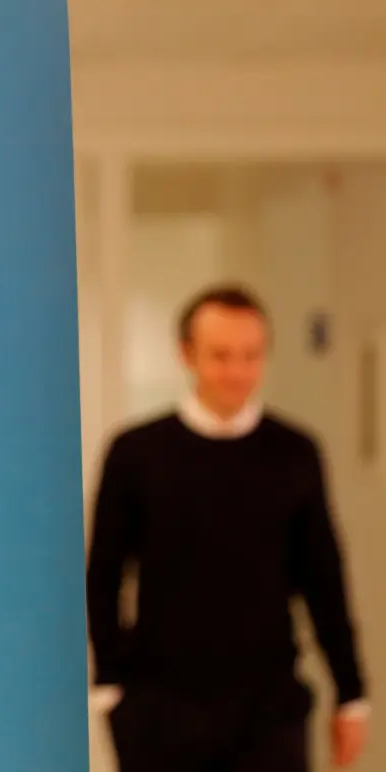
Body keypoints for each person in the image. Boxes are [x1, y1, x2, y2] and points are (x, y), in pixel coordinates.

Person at [86, 285, 370, 771]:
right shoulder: (137, 454)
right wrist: (109, 687)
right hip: (162, 710)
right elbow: (105, 572)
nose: (237, 371)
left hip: (268, 709)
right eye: (221, 356)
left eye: (251, 356)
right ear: (186, 354)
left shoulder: (295, 453)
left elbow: (323, 580)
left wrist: (351, 693)